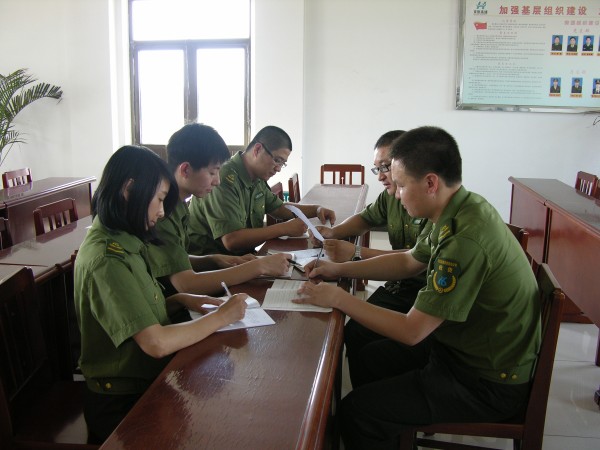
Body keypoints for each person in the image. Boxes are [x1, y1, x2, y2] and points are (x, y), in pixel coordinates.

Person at [294, 126, 541, 450]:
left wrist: (338, 297)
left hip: (485, 379)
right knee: (369, 356)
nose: (395, 195)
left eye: (400, 185)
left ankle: (385, 422)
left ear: (430, 183)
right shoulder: (459, 207)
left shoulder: (464, 239)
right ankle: (395, 427)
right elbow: (409, 260)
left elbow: (412, 331)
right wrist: (339, 269)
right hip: (461, 349)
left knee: (357, 413)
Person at [74, 145, 248, 443]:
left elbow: (136, 313)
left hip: (144, 379)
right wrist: (223, 316)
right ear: (129, 190)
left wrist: (179, 300)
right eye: (158, 199)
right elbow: (156, 343)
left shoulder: (125, 238)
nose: (162, 211)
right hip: (122, 399)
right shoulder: (107, 258)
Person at [309, 130, 431, 385]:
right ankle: (365, 395)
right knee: (354, 331)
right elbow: (366, 218)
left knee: (363, 339)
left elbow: (413, 261)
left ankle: (374, 397)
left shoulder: (434, 208)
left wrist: (355, 254)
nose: (382, 176)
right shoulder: (391, 197)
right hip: (400, 285)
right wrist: (333, 232)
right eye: (378, 168)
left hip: (421, 292)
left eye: (386, 167)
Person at [147, 123, 292, 322]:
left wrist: (213, 259)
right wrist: (259, 267)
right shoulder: (162, 212)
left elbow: (171, 260)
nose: (217, 181)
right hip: (167, 311)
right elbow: (185, 284)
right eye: (213, 172)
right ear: (186, 170)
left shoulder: (178, 205)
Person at [187, 125, 336, 255]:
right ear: (258, 149)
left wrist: (316, 210)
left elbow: (278, 208)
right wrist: (284, 228)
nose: (278, 168)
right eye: (277, 160)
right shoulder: (224, 179)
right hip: (212, 266)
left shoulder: (257, 177)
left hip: (243, 258)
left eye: (282, 163)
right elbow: (231, 240)